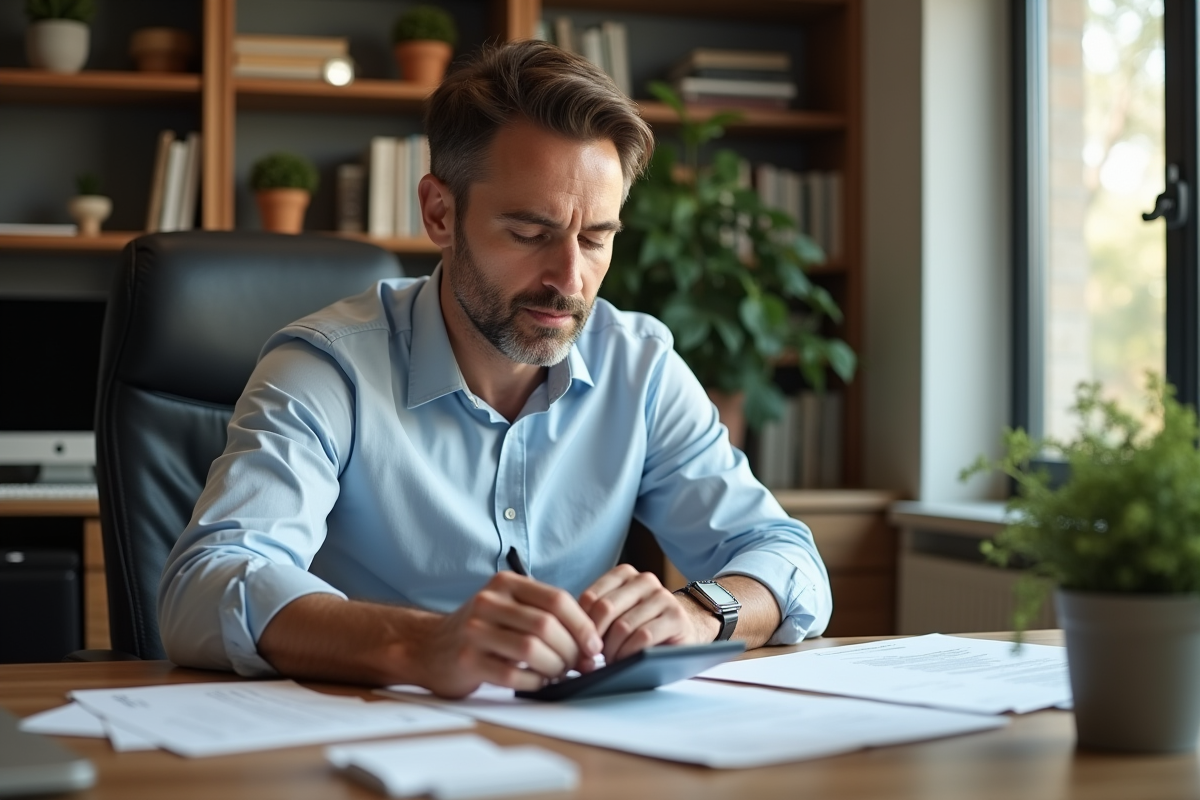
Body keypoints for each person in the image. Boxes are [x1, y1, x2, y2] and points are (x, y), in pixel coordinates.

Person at [158, 40, 832, 699]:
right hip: (369, 735)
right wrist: (422, 645)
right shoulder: (326, 369)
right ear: (440, 213)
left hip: (577, 743)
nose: (569, 279)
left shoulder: (640, 366)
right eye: (530, 234)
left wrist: (701, 613)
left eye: (596, 238)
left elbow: (787, 557)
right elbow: (205, 586)